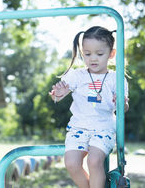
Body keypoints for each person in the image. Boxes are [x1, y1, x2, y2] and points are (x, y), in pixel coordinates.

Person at [49, 26, 129, 188]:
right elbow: (57, 96)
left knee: (94, 161)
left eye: (99, 54)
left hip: (103, 129)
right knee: (71, 163)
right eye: (87, 54)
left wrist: (120, 103)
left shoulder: (116, 78)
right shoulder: (77, 76)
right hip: (79, 128)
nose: (93, 58)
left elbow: (124, 108)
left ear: (111, 54)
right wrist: (58, 94)